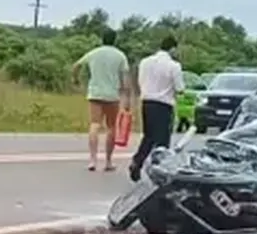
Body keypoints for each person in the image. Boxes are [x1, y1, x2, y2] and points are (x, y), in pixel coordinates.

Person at [72, 28, 130, 172]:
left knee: (94, 125)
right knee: (111, 127)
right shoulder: (120, 56)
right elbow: (125, 79)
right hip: (112, 95)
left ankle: (92, 160)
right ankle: (108, 161)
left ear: (102, 39)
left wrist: (76, 79)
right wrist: (126, 96)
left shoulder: (94, 53)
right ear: (114, 39)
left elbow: (76, 65)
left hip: (95, 93)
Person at [130, 35, 186, 182]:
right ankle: (159, 171)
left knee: (148, 136)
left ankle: (138, 160)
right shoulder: (174, 66)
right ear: (172, 48)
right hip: (164, 105)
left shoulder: (145, 62)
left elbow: (140, 82)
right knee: (162, 140)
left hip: (147, 102)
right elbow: (180, 89)